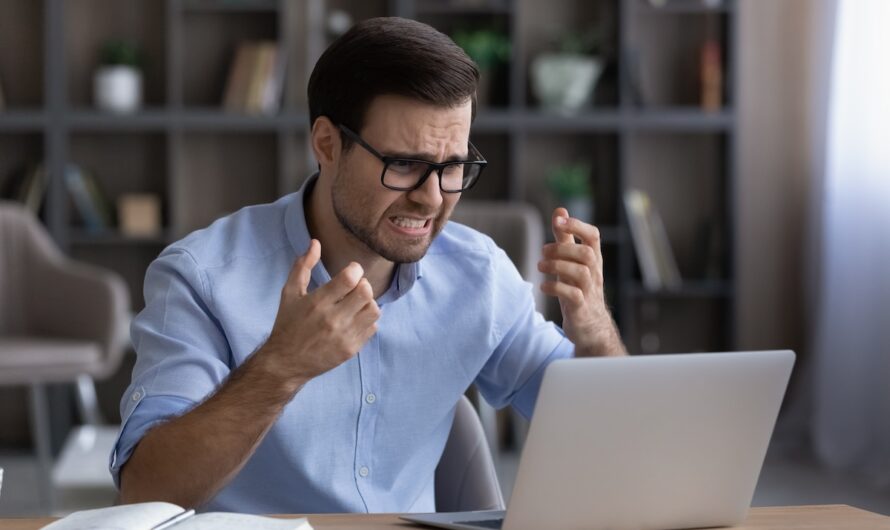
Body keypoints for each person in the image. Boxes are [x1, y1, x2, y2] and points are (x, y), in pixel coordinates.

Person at [112, 17, 626, 514]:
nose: (431, 198)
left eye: (452, 168)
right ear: (327, 144)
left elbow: (609, 433)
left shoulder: (480, 276)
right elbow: (144, 491)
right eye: (404, 164)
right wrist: (281, 368)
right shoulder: (202, 276)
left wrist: (597, 334)